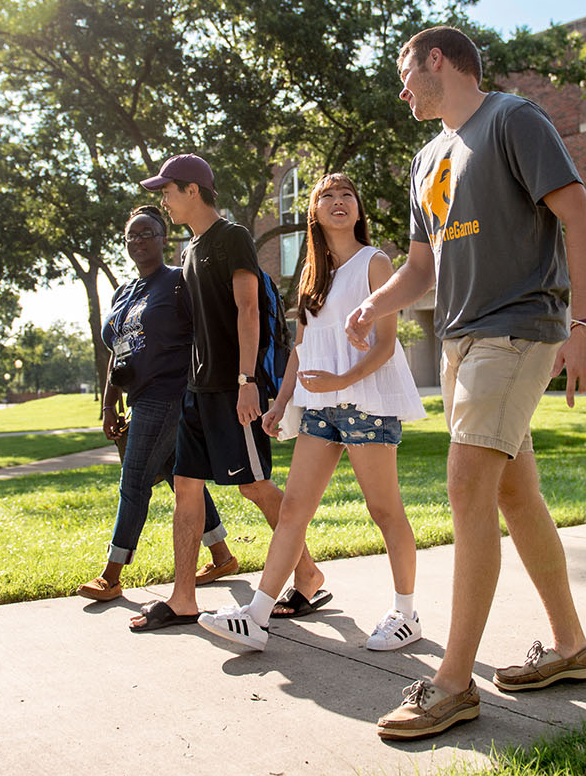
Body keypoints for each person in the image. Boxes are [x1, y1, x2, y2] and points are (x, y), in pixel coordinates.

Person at [346, 26, 586, 741]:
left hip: (516, 327)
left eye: (405, 71)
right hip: (460, 341)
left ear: (438, 60)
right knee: (516, 494)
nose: (400, 89)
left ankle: (453, 683)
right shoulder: (426, 158)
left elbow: (578, 217)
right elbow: (422, 267)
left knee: (467, 485)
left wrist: (585, 321)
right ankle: (569, 646)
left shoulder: (512, 119)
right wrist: (377, 302)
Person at [197, 173, 427, 652]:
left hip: (365, 402)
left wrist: (342, 381)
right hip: (319, 406)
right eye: (327, 196)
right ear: (314, 213)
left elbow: (386, 345)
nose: (339, 201)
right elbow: (300, 349)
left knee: (383, 510)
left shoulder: (376, 263)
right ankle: (256, 617)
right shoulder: (310, 275)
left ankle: (406, 614)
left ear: (358, 211)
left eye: (348, 194)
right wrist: (281, 403)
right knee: (294, 511)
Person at [129, 154, 324, 631]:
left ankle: (308, 573)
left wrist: (246, 382)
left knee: (253, 485)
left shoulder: (232, 238)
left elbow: (248, 311)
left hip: (231, 389)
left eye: (168, 192)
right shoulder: (190, 249)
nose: (164, 201)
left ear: (193, 190)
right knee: (186, 487)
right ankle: (183, 599)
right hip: (196, 390)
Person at [76, 205, 238, 603]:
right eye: (131, 235)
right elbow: (118, 352)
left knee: (133, 482)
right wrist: (109, 404)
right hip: (138, 396)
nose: (138, 241)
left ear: (164, 238)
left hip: (170, 395)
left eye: (146, 233)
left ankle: (111, 574)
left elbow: (210, 331)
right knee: (172, 471)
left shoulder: (179, 282)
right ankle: (221, 555)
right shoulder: (124, 292)